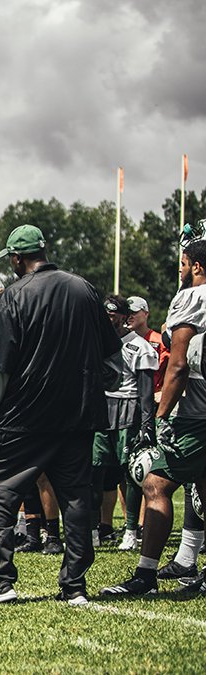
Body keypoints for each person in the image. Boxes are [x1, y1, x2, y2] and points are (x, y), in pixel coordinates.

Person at [0, 224, 120, 606]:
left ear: (17, 258)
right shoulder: (84, 289)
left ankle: (1, 581)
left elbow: (0, 368)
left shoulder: (12, 297)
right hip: (78, 414)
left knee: (0, 492)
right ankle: (74, 586)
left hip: (23, 416)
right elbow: (112, 358)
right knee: (75, 498)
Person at [104, 240, 206, 596]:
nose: (179, 270)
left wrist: (162, 418)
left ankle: (145, 576)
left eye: (182, 263)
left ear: (196, 266)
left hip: (198, 413)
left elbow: (177, 365)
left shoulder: (192, 297)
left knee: (155, 483)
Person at [93, 296, 156, 552]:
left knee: (130, 474)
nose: (108, 320)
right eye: (105, 315)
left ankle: (131, 530)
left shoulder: (139, 346)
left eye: (113, 315)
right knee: (93, 471)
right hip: (99, 412)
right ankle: (92, 528)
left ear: (124, 317)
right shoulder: (94, 343)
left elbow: (145, 391)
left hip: (127, 411)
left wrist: (146, 423)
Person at [126, 296, 168, 394]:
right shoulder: (120, 341)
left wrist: (163, 392)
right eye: (127, 313)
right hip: (127, 398)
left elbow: (173, 371)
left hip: (153, 398)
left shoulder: (160, 341)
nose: (130, 316)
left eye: (134, 312)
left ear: (146, 314)